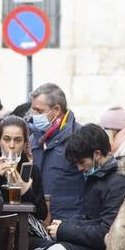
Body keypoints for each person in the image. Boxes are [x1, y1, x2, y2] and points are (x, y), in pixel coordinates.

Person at [28, 82, 84, 220]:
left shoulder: (80, 137)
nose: (34, 115)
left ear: (57, 110)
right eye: (33, 110)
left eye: (39, 111)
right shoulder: (34, 138)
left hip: (68, 221)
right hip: (38, 220)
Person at [0, 116, 48, 222]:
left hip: (26, 231)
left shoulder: (32, 170)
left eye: (17, 140)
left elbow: (42, 214)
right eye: (6, 139)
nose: (12, 145)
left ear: (25, 143)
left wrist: (26, 191)